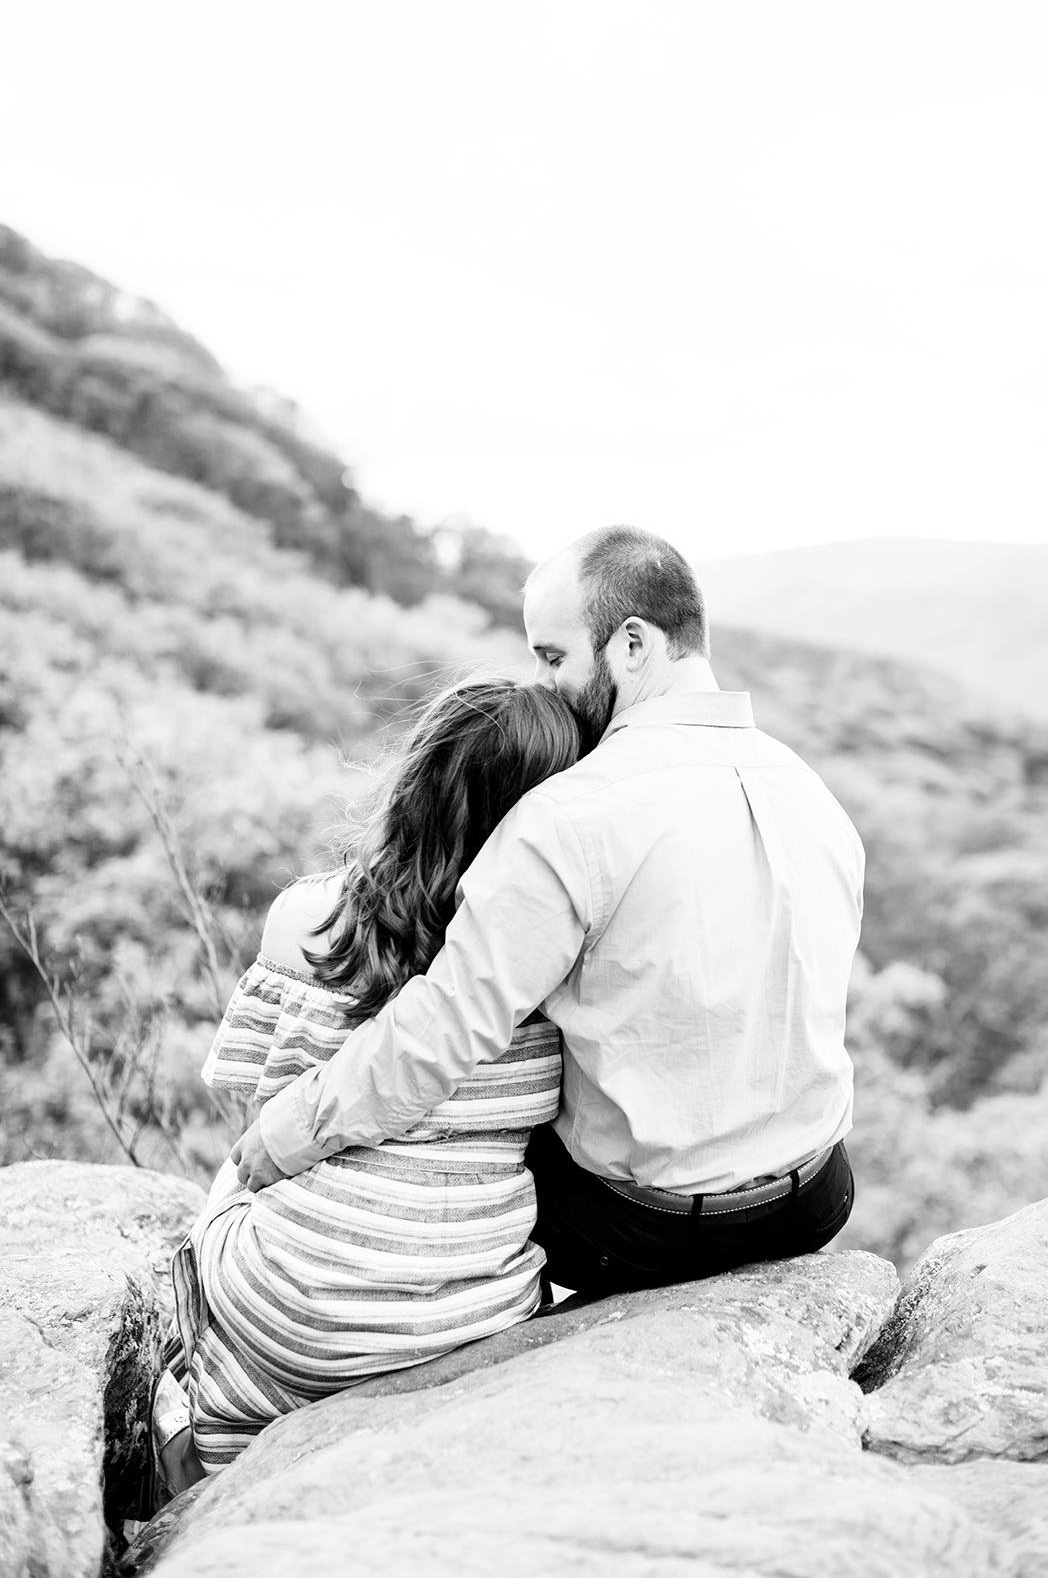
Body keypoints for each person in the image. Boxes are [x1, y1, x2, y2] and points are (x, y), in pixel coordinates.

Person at [232, 525, 865, 1303]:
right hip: (814, 1200)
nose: (542, 681)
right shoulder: (814, 794)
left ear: (632, 644)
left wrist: (286, 1132)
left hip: (644, 1229)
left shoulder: (569, 814)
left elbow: (442, 1029)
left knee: (480, 1119)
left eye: (553, 655)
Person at [148, 678, 580, 1498]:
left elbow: (258, 1112)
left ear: (418, 777)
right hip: (467, 1317)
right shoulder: (555, 961)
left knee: (226, 1192)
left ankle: (211, 1439)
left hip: (287, 1301)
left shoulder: (307, 918)